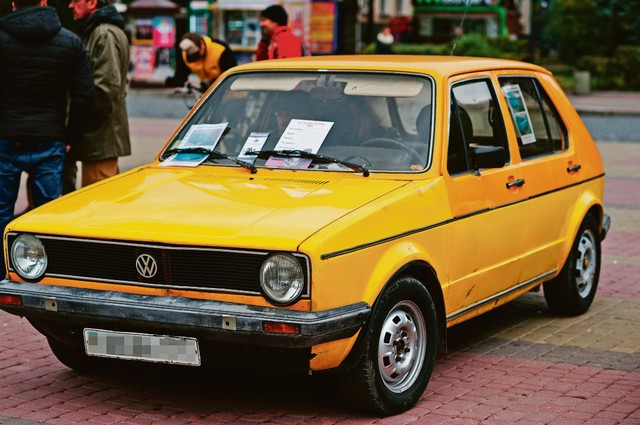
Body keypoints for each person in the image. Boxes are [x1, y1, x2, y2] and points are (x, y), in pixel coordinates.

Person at [0, 0, 93, 275]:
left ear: (14, 4)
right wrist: (70, 136)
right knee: (47, 215)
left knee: (1, 212)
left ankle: (3, 274)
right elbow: (84, 94)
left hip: (6, 137)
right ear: (43, 2)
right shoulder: (70, 41)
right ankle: (43, 275)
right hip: (50, 138)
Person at [67, 0, 131, 190]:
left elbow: (105, 91)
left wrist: (76, 121)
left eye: (75, 0)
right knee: (107, 196)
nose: (70, 6)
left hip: (101, 140)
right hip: (101, 140)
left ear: (92, 2)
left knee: (98, 199)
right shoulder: (101, 31)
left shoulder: (103, 33)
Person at [165, 33, 237, 91]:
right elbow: (181, 75)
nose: (195, 59)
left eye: (196, 55)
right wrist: (175, 82)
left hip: (227, 91)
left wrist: (212, 83)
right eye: (191, 57)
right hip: (208, 92)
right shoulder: (185, 54)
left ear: (202, 44)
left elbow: (232, 75)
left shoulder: (220, 50)